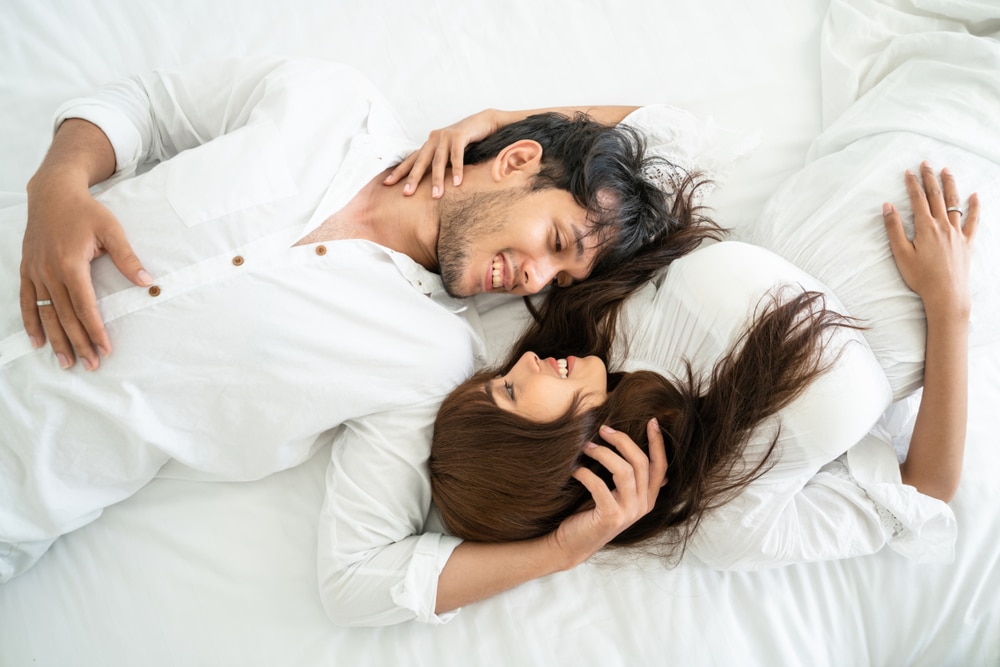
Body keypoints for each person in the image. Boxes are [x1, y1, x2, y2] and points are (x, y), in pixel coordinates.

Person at [2, 56, 722, 625]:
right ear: (515, 161)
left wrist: (562, 552)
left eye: (559, 277)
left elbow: (357, 580)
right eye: (555, 239)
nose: (535, 273)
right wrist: (59, 183)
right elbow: (147, 106)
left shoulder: (429, 361)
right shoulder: (333, 102)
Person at [430, 164, 977, 568]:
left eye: (500, 375)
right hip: (960, 259)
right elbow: (923, 490)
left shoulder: (590, 315)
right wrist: (949, 304)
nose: (523, 361)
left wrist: (491, 128)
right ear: (539, 459)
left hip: (861, 174)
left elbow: (596, 166)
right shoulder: (720, 520)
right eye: (510, 391)